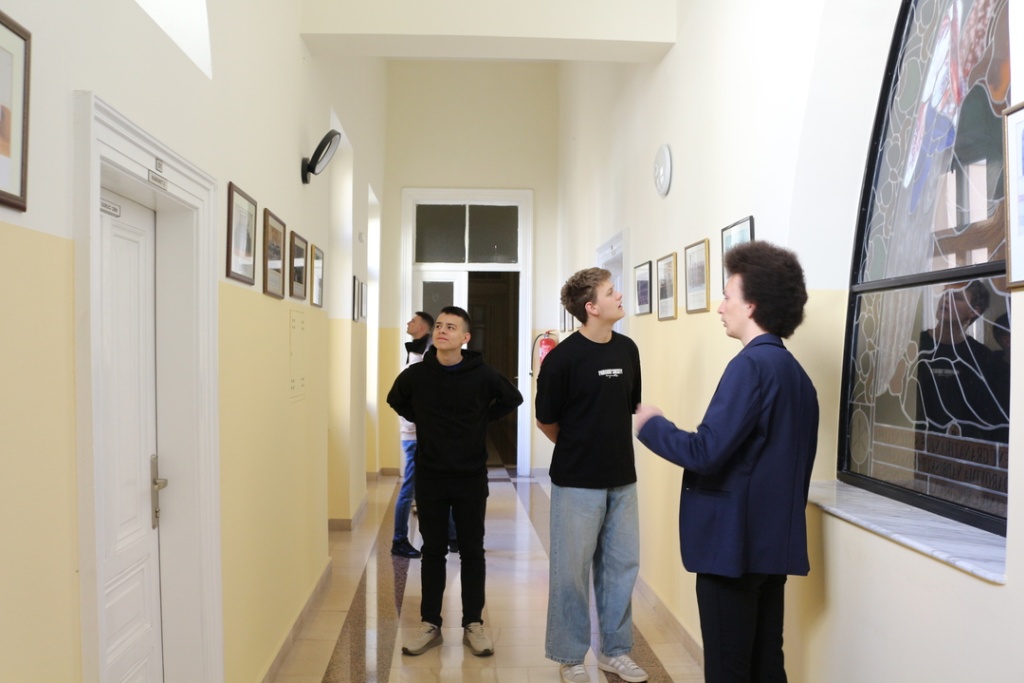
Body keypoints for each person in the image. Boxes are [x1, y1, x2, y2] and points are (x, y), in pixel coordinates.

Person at [633, 241, 818, 683]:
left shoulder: (750, 367)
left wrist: (652, 425)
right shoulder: (796, 375)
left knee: (728, 668)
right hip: (771, 548)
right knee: (766, 664)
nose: (720, 307)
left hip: (733, 549)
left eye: (727, 296)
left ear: (751, 305)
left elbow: (706, 452)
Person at [387, 306, 523, 658]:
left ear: (465, 337)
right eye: (439, 325)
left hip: (470, 477)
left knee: (472, 550)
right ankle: (429, 624)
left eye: (451, 327)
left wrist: (481, 419)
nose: (442, 330)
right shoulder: (418, 374)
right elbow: (395, 399)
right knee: (432, 551)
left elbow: (513, 398)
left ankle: (473, 624)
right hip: (431, 475)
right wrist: (423, 418)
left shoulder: (483, 374)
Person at [536, 268, 647, 683]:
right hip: (576, 483)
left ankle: (614, 652)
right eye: (610, 291)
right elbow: (546, 420)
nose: (619, 296)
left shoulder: (628, 349)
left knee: (621, 568)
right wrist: (578, 447)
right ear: (591, 307)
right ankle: (569, 656)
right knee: (572, 573)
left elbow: (629, 405)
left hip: (622, 480)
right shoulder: (562, 359)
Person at [915, 280, 1007, 442]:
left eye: (956, 297)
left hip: (963, 448)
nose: (945, 300)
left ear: (973, 311)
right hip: (915, 443)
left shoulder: (983, 357)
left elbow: (989, 417)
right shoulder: (915, 346)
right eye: (945, 294)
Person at [391, 311, 434, 559]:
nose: (408, 323)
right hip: (415, 434)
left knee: (436, 484)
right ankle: (399, 540)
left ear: (423, 328)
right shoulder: (417, 354)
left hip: (421, 433)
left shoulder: (423, 353)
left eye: (413, 321)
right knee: (409, 487)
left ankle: (451, 536)